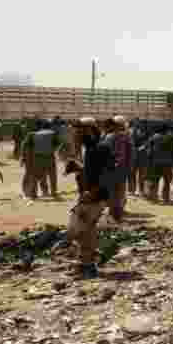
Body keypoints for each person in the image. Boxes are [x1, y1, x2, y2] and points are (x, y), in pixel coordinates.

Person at [65, 117, 114, 279]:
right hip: (90, 195)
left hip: (95, 196)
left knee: (82, 229)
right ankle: (86, 263)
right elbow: (95, 170)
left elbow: (108, 172)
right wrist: (79, 168)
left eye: (80, 130)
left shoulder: (100, 148)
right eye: (76, 131)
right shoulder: (91, 148)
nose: (77, 134)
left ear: (91, 131)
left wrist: (93, 192)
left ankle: (89, 265)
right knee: (85, 230)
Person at [23, 120, 61, 198]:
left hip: (37, 157)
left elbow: (27, 146)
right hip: (49, 156)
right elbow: (58, 143)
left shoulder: (34, 134)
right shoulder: (52, 133)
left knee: (35, 176)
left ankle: (33, 193)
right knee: (52, 175)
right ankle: (53, 192)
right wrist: (52, 149)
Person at [104, 116, 132, 222]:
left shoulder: (109, 137)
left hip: (112, 168)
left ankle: (113, 211)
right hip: (122, 168)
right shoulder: (127, 137)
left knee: (112, 190)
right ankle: (118, 210)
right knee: (120, 190)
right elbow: (130, 154)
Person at [145, 123, 173, 203]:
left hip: (156, 162)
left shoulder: (153, 137)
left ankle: (153, 197)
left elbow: (149, 152)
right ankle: (166, 198)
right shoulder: (171, 138)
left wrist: (149, 161)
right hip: (167, 162)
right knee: (167, 181)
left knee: (155, 180)